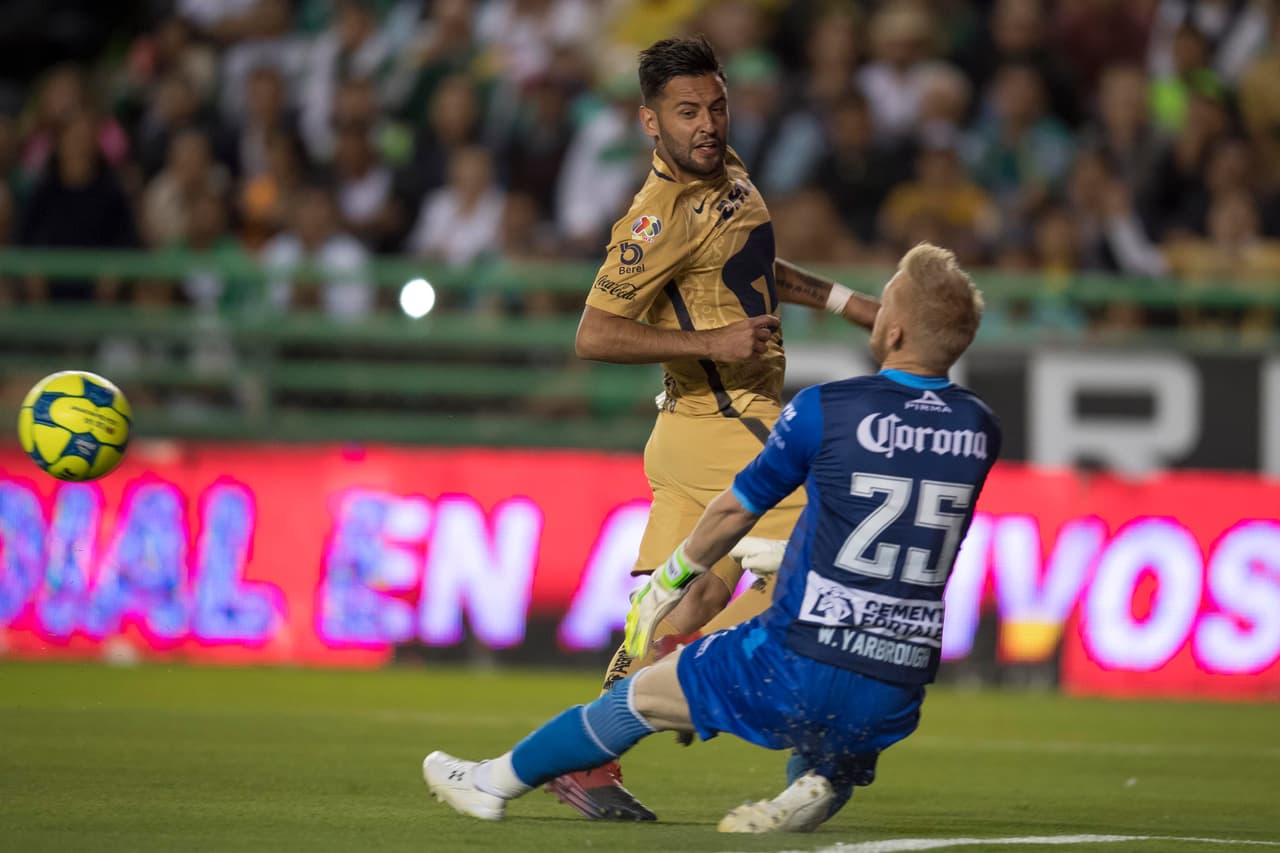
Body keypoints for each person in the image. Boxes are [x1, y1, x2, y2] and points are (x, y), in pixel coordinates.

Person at [423, 242, 1001, 833]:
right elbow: (889, 519)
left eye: (886, 304)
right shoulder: (982, 429)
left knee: (639, 698)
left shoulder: (828, 409)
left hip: (802, 659)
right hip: (898, 683)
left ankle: (490, 783)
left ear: (894, 331)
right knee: (842, 725)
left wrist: (669, 582)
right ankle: (823, 780)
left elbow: (734, 511)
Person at [551, 35, 880, 820]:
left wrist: (852, 304)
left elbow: (759, 269)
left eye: (716, 105)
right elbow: (594, 333)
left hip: (695, 432)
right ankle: (800, 741)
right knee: (828, 547)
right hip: (725, 422)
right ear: (649, 123)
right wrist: (710, 343)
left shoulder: (727, 175)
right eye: (687, 111)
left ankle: (587, 759)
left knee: (673, 606)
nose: (707, 123)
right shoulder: (654, 217)